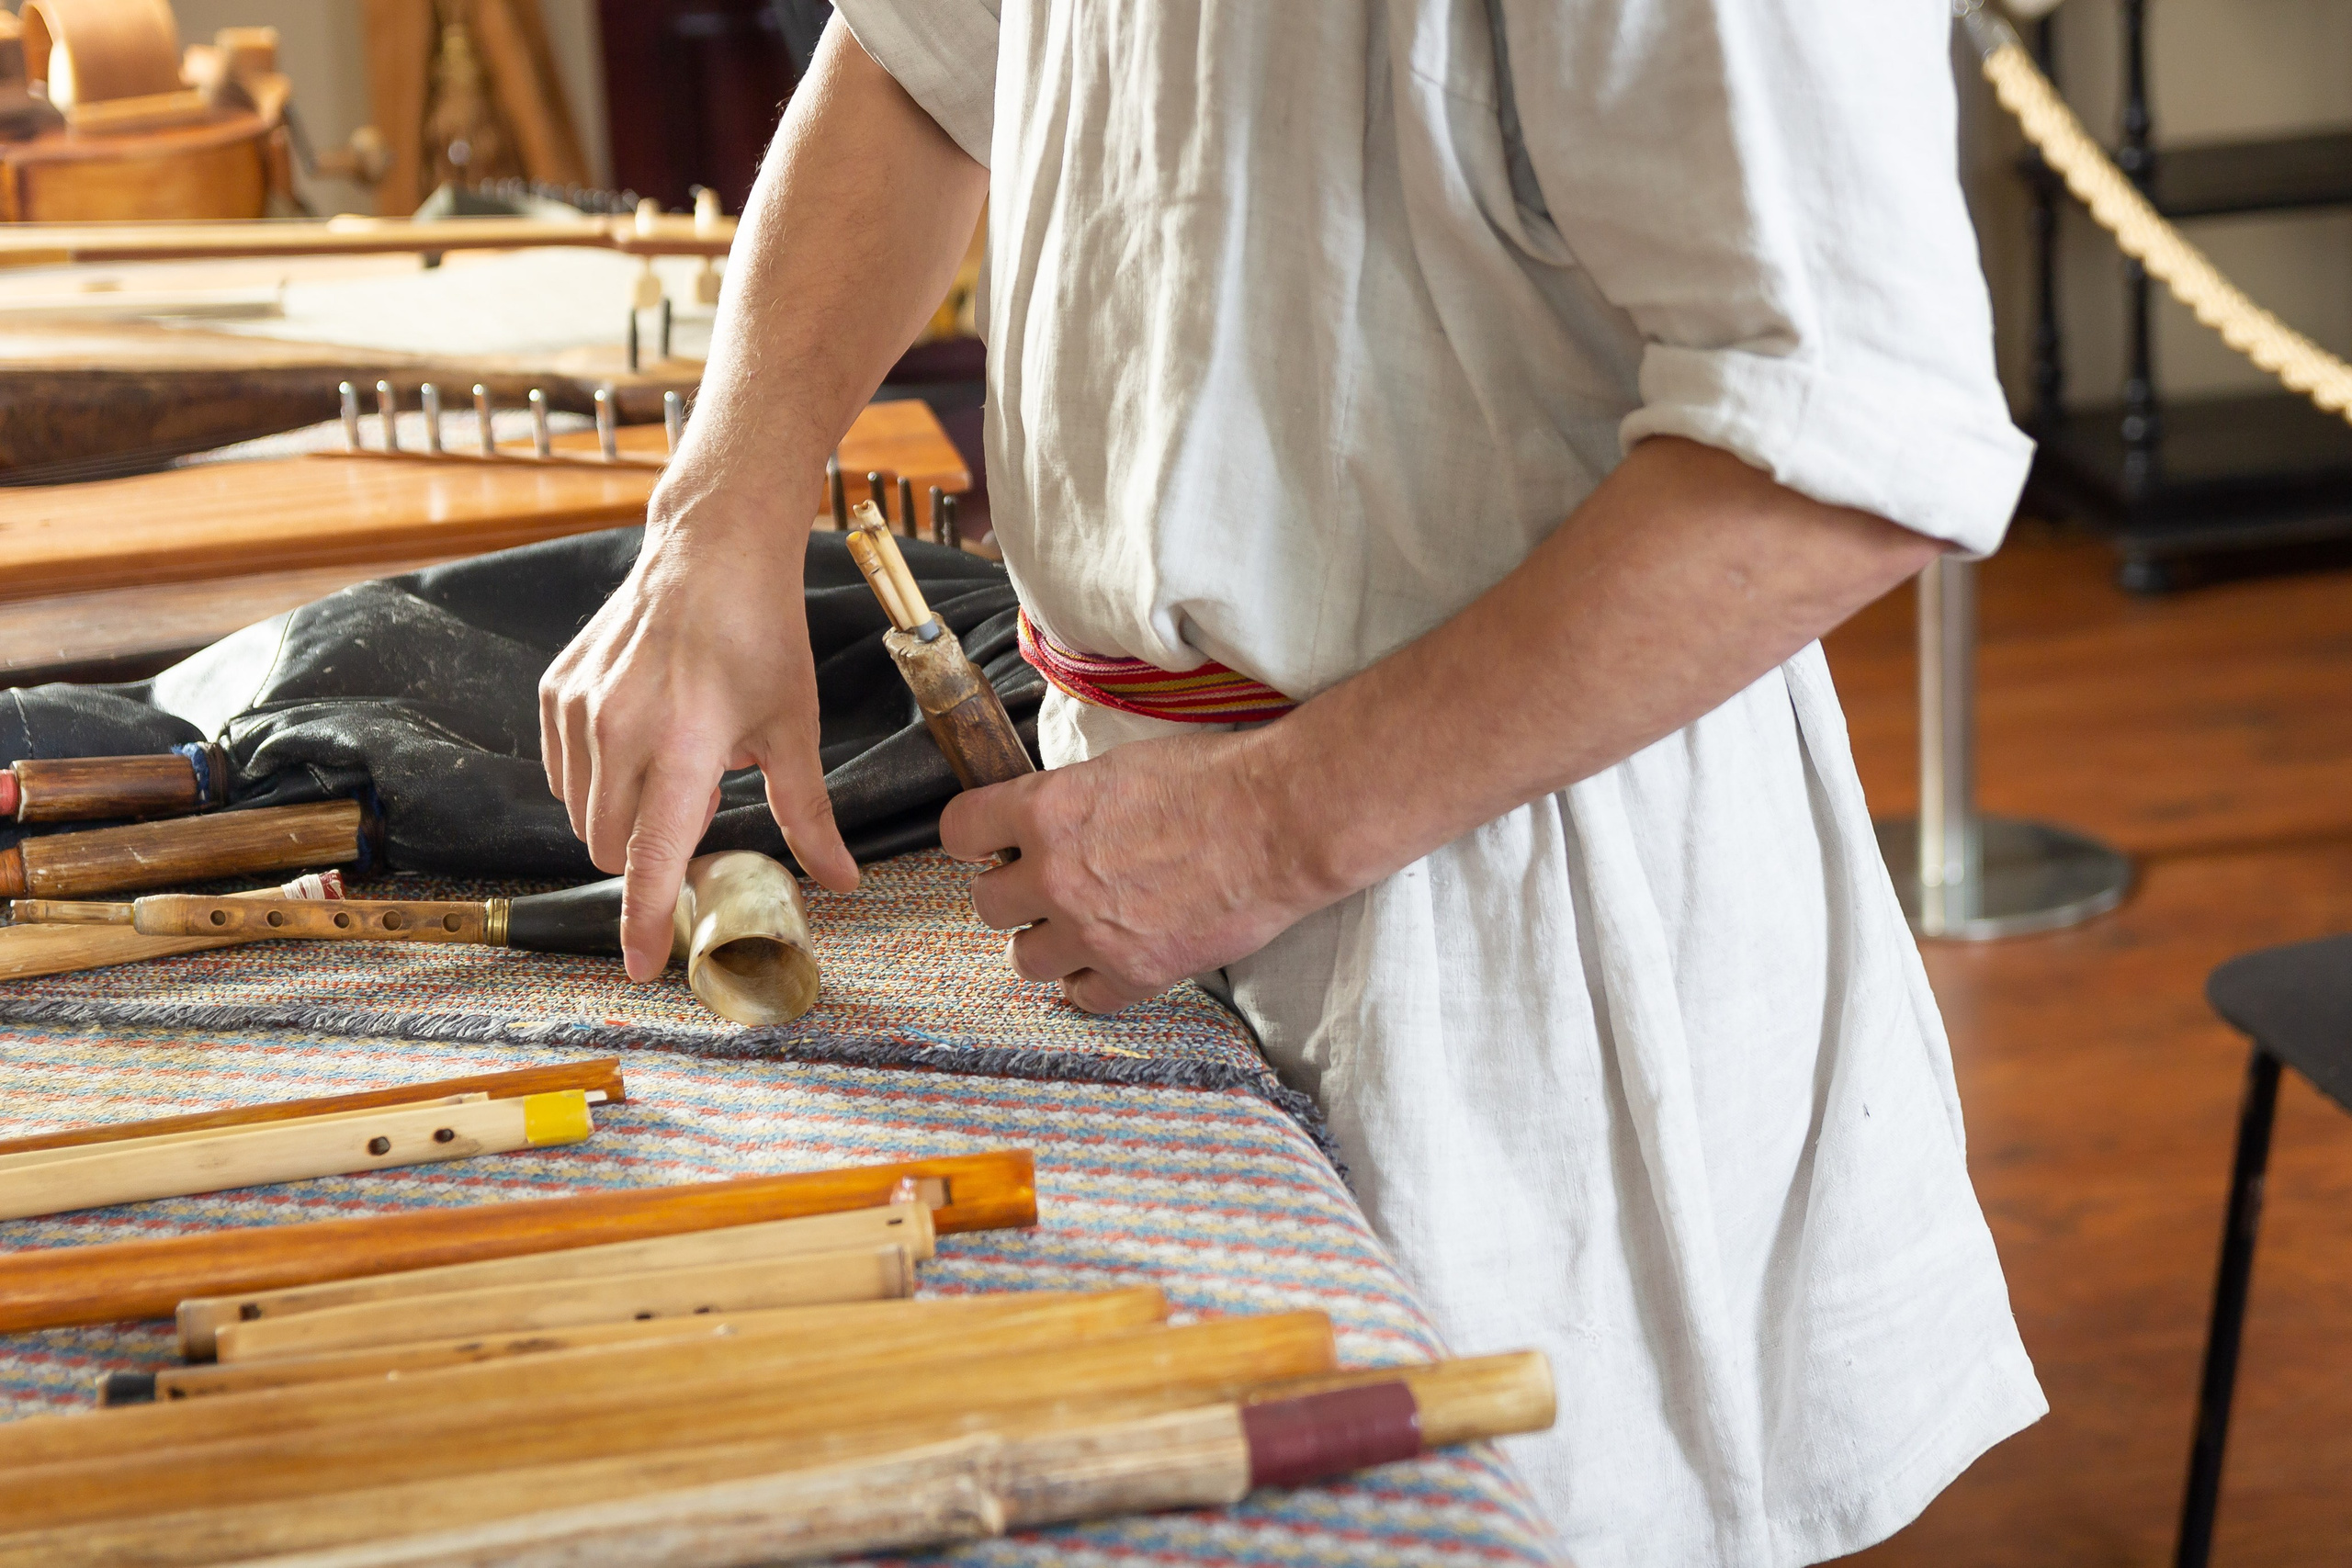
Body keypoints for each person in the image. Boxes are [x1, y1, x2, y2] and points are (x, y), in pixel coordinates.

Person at [539, 4, 2045, 1562]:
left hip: (1498, 907)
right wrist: (720, 505)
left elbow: (1848, 450)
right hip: (1112, 844)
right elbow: (926, 65)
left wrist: (1262, 831)